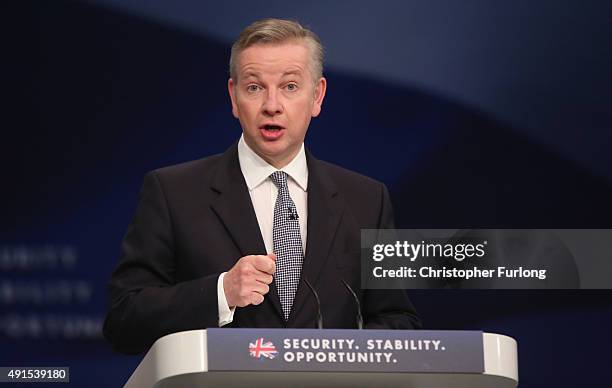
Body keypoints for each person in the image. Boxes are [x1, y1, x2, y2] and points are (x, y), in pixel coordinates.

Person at [103, 18, 421, 355]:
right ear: (234, 97)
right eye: (254, 87)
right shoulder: (172, 193)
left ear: (317, 96)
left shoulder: (368, 200)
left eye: (290, 87)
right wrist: (222, 292)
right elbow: (124, 320)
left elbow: (398, 318)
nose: (272, 105)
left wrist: (340, 356)